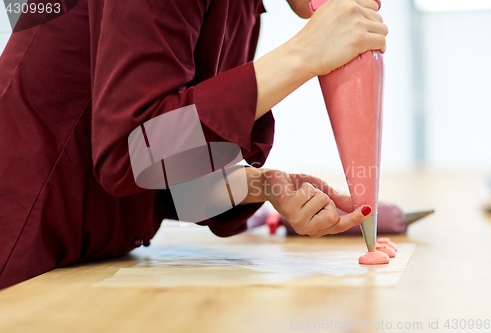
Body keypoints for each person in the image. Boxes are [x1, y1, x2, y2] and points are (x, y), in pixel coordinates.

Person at [0, 0, 388, 289]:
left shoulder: (245, 9)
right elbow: (129, 154)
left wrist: (263, 187)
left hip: (82, 268)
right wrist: (303, 55)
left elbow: (165, 174)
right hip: (19, 254)